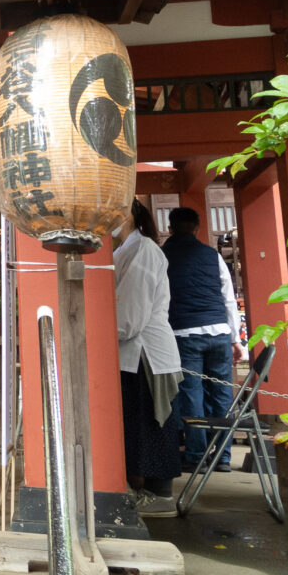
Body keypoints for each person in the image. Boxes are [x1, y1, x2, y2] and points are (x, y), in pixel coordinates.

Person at [113, 199, 182, 517]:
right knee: (138, 422)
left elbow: (130, 315)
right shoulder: (127, 250)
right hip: (134, 352)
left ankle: (160, 495)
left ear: (127, 214)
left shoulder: (143, 251)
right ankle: (144, 489)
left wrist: (104, 334)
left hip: (145, 352)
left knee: (150, 421)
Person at [163, 206, 243, 472]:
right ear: (197, 228)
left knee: (191, 393)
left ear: (170, 228)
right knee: (222, 392)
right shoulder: (212, 255)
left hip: (185, 333)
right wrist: (236, 339)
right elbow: (228, 297)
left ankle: (196, 454)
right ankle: (223, 456)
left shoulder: (163, 256)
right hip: (220, 332)